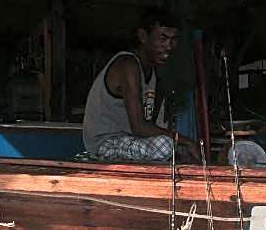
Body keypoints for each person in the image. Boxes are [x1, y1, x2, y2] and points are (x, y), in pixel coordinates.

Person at [82, 8, 197, 162]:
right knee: (165, 145)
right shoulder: (128, 65)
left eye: (174, 39)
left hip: (131, 142)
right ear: (143, 36)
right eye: (162, 39)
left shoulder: (152, 71)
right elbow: (139, 127)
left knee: (175, 147)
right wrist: (185, 140)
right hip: (105, 144)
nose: (169, 46)